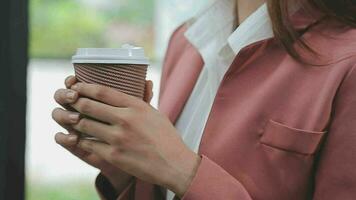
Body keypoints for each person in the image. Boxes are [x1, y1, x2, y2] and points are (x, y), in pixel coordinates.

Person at [52, 0, 356, 199]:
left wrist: (184, 172)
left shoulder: (347, 59)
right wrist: (126, 172)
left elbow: (179, 171)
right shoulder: (186, 41)